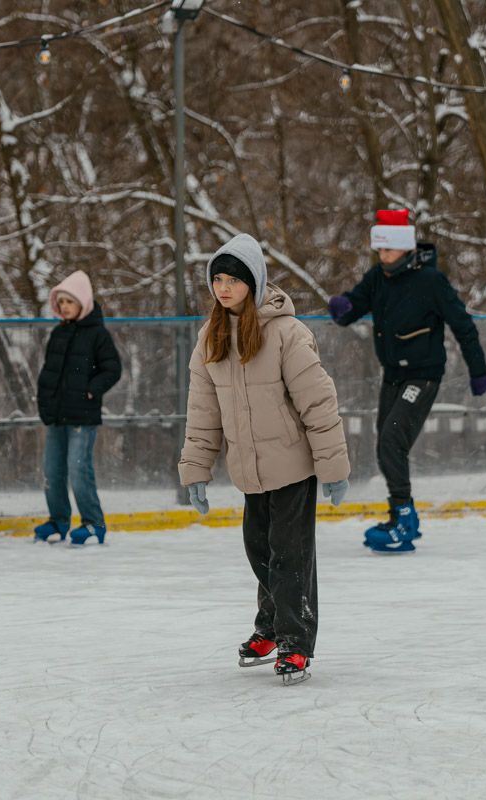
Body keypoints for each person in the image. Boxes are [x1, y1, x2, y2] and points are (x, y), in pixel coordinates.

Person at [179, 233, 350, 685]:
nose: (224, 288)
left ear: (253, 282)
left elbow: (319, 403)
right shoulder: (211, 337)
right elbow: (203, 412)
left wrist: (333, 467)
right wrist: (196, 469)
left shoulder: (287, 334)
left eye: (233, 279)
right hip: (249, 470)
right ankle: (271, 627)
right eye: (217, 279)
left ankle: (295, 641)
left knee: (289, 557)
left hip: (293, 466)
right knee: (259, 549)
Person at [328, 209, 486, 553]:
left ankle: (404, 520)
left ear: (405, 248)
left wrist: (478, 371)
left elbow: (463, 325)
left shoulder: (430, 281)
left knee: (391, 440)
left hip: (423, 374)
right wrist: (342, 307)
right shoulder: (378, 277)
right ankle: (400, 516)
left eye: (388, 249)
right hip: (393, 375)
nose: (382, 255)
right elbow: (356, 304)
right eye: (379, 249)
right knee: (386, 445)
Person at [33, 271, 122, 546]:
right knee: (52, 470)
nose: (64, 307)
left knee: (78, 469)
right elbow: (49, 373)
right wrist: (45, 402)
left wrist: (91, 390)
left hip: (83, 416)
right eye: (60, 302)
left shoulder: (98, 334)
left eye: (69, 301)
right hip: (56, 415)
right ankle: (58, 520)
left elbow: (112, 369)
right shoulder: (58, 333)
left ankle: (93, 523)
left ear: (82, 302)